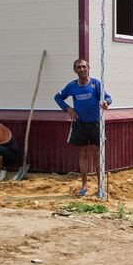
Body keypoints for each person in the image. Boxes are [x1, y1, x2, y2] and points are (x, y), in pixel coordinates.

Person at [54, 59, 111, 197]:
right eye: (79, 67)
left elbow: (108, 98)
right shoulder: (72, 86)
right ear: (75, 70)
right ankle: (84, 185)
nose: (82, 69)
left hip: (95, 123)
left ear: (88, 68)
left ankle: (100, 187)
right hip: (80, 124)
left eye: (84, 66)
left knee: (98, 154)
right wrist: (67, 108)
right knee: (83, 153)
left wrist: (105, 103)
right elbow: (58, 97)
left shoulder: (95, 84)